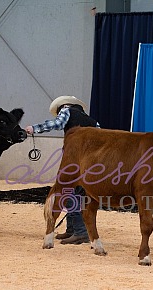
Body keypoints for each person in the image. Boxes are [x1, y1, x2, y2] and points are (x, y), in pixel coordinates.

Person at [25, 95, 100, 244]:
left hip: (75, 161)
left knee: (69, 192)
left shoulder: (66, 111)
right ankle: (72, 230)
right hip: (91, 163)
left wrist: (34, 129)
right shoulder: (93, 121)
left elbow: (57, 124)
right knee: (78, 193)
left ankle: (80, 232)